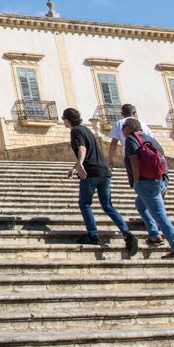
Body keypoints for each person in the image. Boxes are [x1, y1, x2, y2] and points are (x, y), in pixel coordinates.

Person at [62, 106, 135, 249]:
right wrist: (75, 167)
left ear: (68, 119)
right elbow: (89, 151)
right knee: (108, 205)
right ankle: (127, 234)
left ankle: (92, 234)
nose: (63, 121)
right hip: (104, 171)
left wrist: (80, 164)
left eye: (63, 118)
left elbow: (82, 148)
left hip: (91, 172)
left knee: (85, 203)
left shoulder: (75, 131)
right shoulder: (86, 129)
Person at [122, 117, 174, 261]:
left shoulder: (132, 139)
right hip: (160, 180)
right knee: (140, 205)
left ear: (132, 126)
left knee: (160, 215)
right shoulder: (152, 139)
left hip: (146, 183)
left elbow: (134, 160)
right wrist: (165, 183)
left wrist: (137, 180)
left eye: (124, 127)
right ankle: (154, 234)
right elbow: (163, 160)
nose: (122, 130)